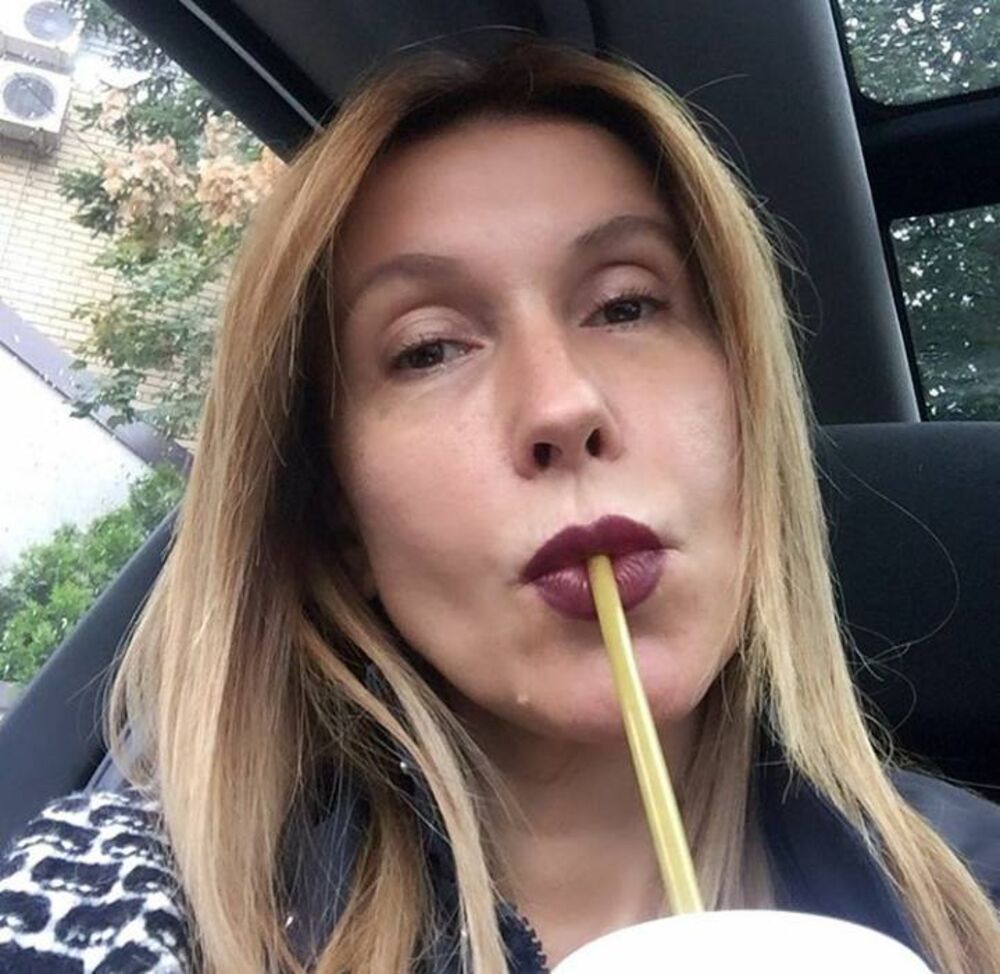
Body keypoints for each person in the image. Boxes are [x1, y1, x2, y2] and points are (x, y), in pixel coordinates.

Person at [0, 37, 997, 974]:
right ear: (338, 518)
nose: (562, 405)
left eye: (626, 304)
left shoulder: (976, 903)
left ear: (748, 413)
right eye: (429, 348)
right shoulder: (128, 908)